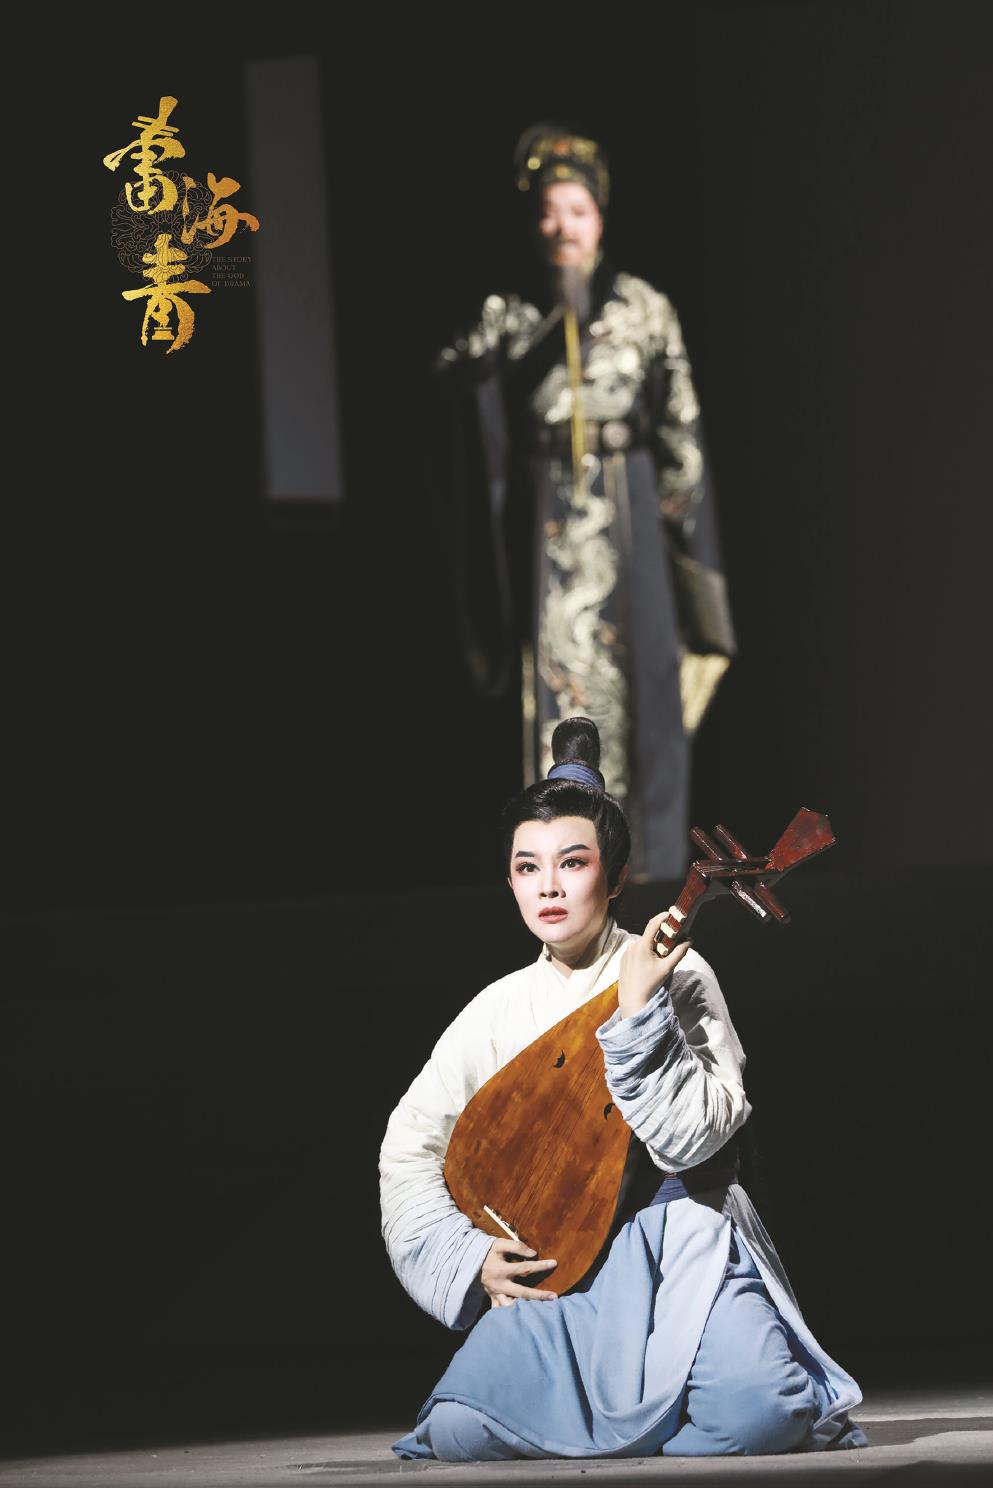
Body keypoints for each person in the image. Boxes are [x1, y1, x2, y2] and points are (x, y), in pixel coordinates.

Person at [379, 716, 866, 1460]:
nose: (548, 885)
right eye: (527, 867)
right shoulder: (496, 1010)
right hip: (562, 1257)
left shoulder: (679, 972)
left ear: (612, 877)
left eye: (572, 863)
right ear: (509, 880)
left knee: (760, 1419)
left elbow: (695, 1138)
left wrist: (637, 1011)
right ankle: (642, 1414)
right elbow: (409, 1147)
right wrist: (466, 1257)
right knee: (456, 1431)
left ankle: (647, 1409)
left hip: (681, 1238)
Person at [437, 124, 736, 881]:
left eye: (576, 210)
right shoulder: (509, 312)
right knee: (555, 699)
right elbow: (452, 379)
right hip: (546, 523)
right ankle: (557, 878)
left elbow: (682, 432)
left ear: (600, 218)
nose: (561, 227)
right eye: (547, 212)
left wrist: (686, 551)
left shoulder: (643, 307)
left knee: (647, 704)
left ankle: (651, 874)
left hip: (632, 523)